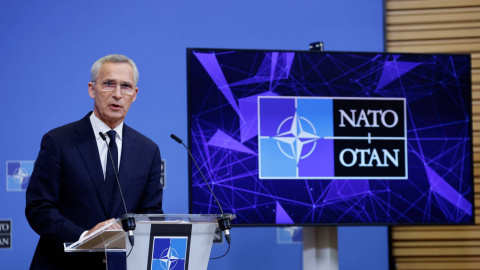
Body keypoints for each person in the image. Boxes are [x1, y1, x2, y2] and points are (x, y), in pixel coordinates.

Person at [25, 54, 163, 269]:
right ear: (92, 89)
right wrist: (85, 238)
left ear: (134, 94)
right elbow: (39, 208)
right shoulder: (59, 141)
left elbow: (152, 213)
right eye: (109, 84)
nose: (117, 94)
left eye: (125, 86)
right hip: (65, 263)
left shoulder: (148, 150)